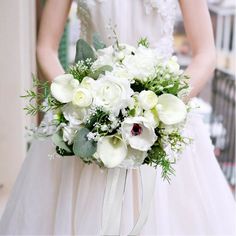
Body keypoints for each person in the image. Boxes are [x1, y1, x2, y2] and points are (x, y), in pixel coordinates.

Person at [0, 0, 235, 235]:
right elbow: (45, 48)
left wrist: (162, 107)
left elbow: (206, 53)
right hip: (88, 114)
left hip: (160, 115)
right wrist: (76, 100)